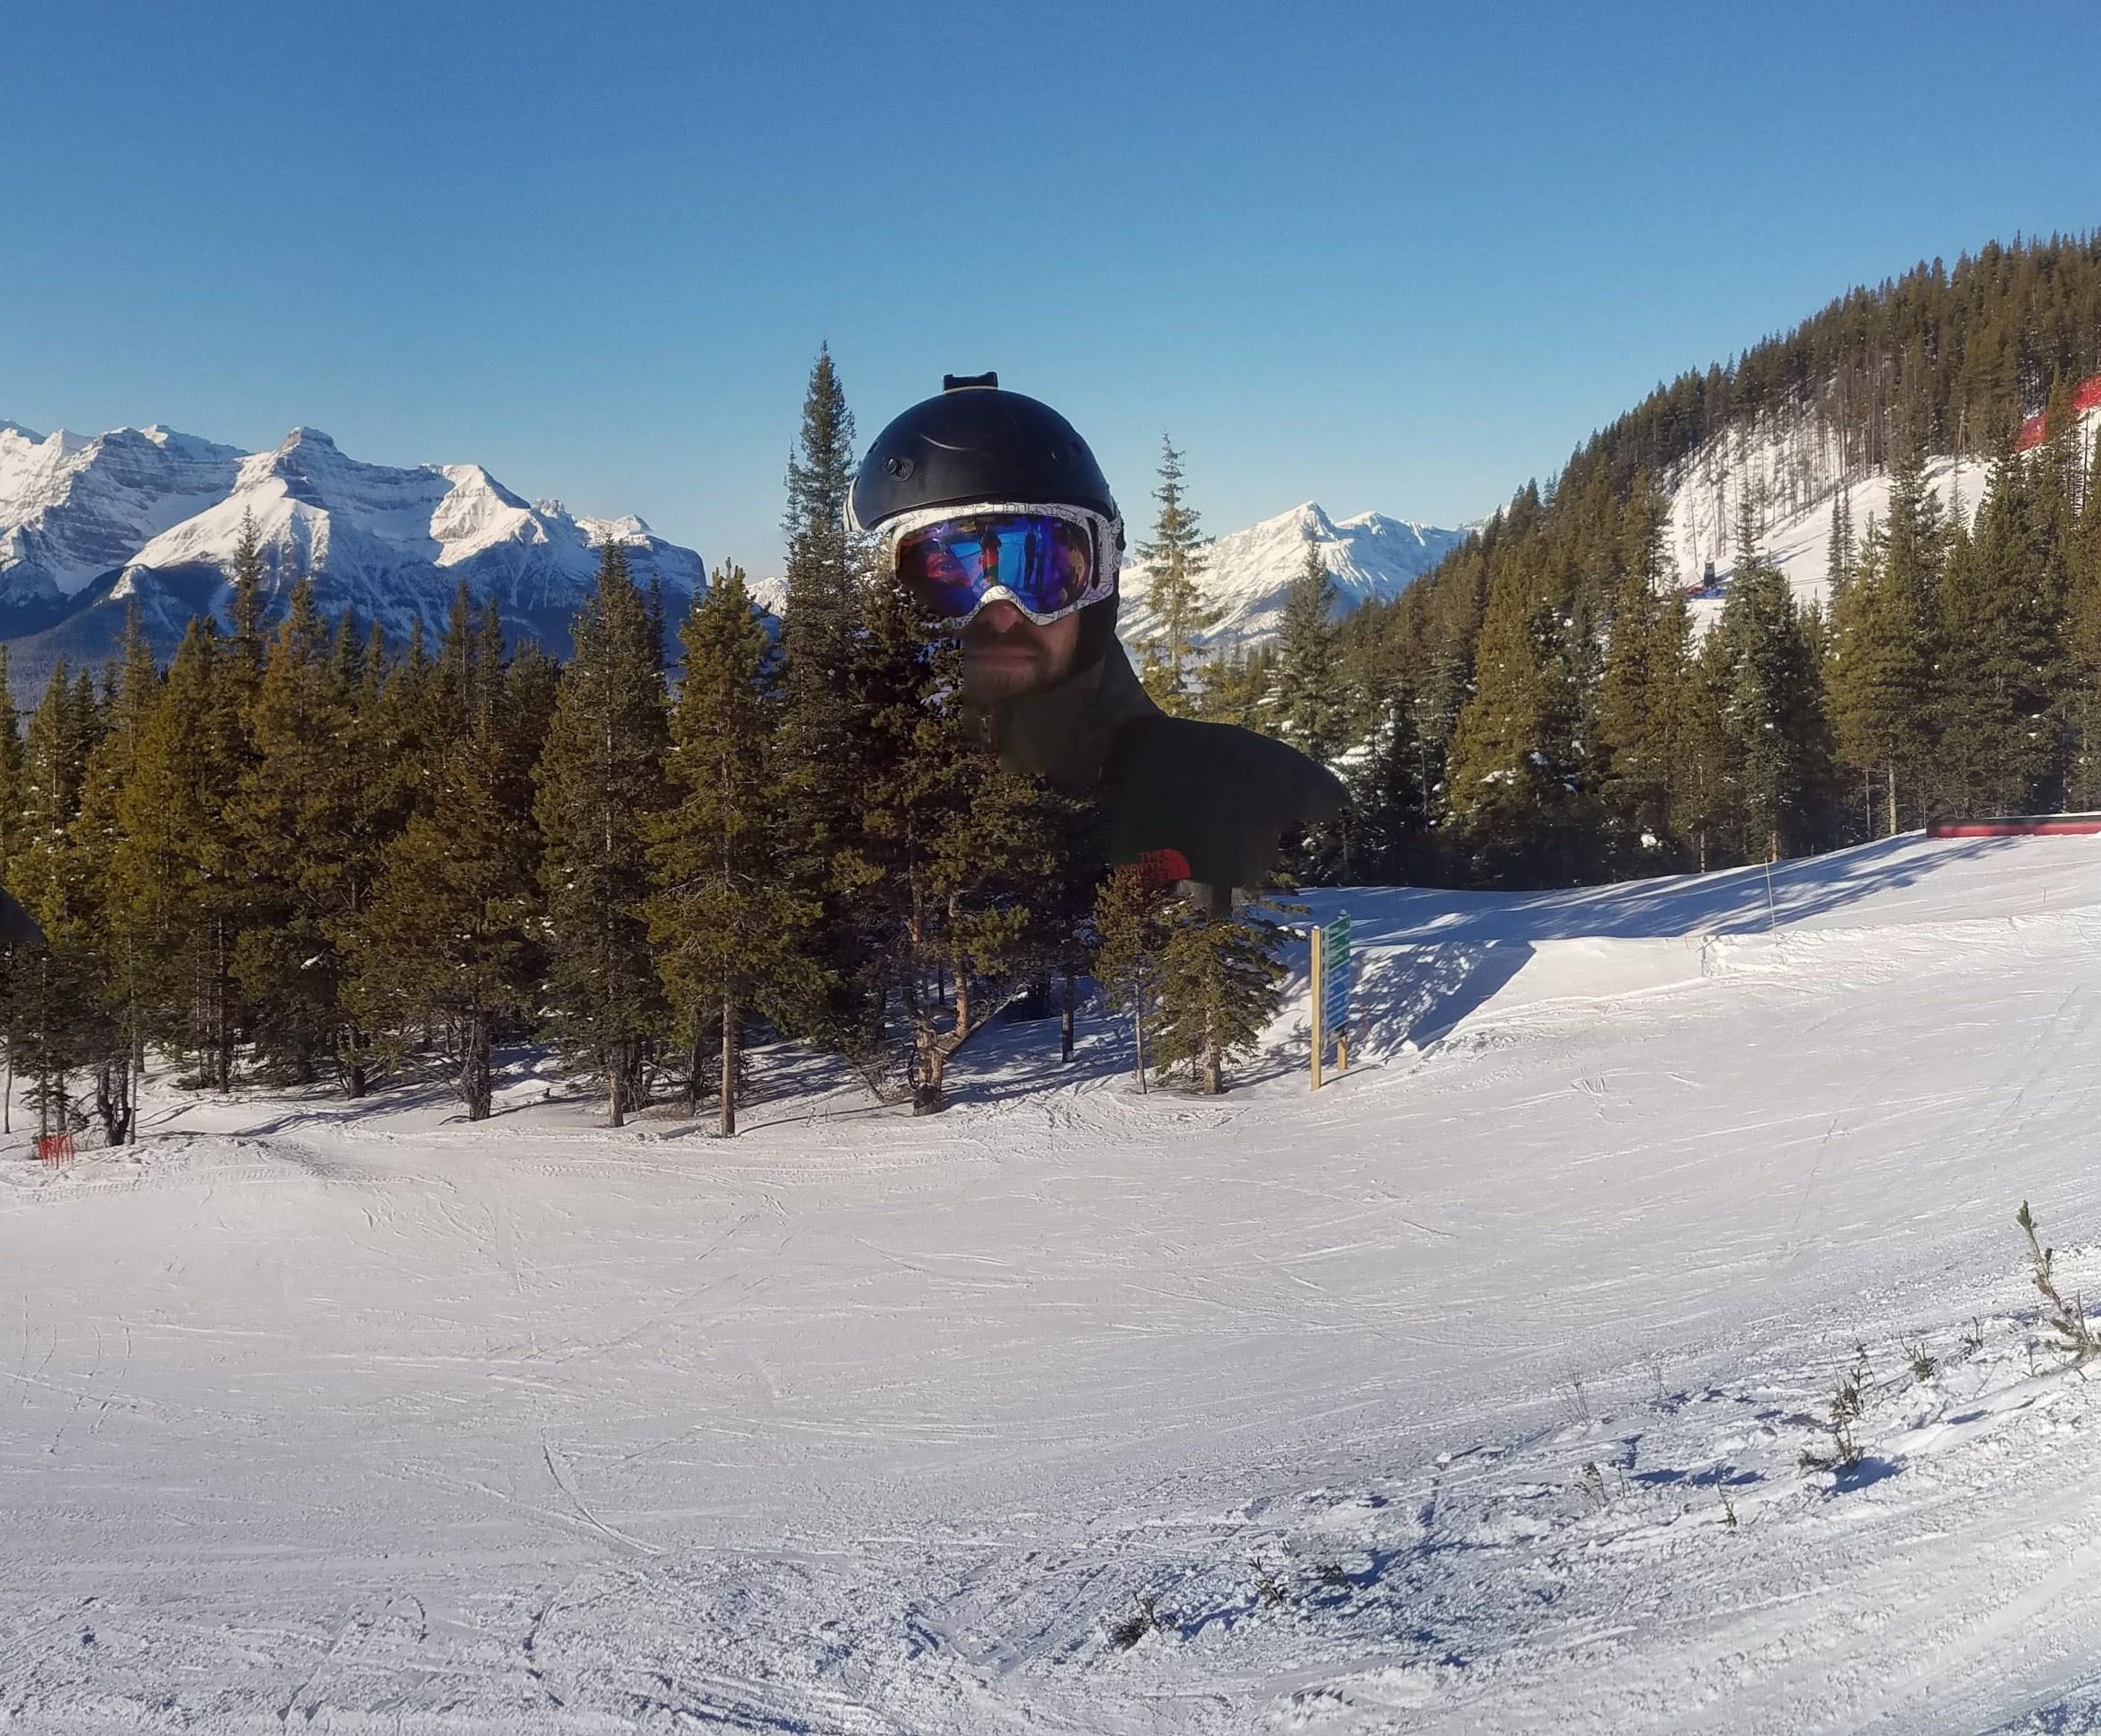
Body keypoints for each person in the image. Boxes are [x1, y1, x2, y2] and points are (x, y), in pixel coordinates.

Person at [850, 373, 1345, 897]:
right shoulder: (803, 810)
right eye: (943, 582)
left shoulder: (1256, 795)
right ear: (876, 601)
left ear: (1100, 583)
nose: (998, 615)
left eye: (1040, 570)